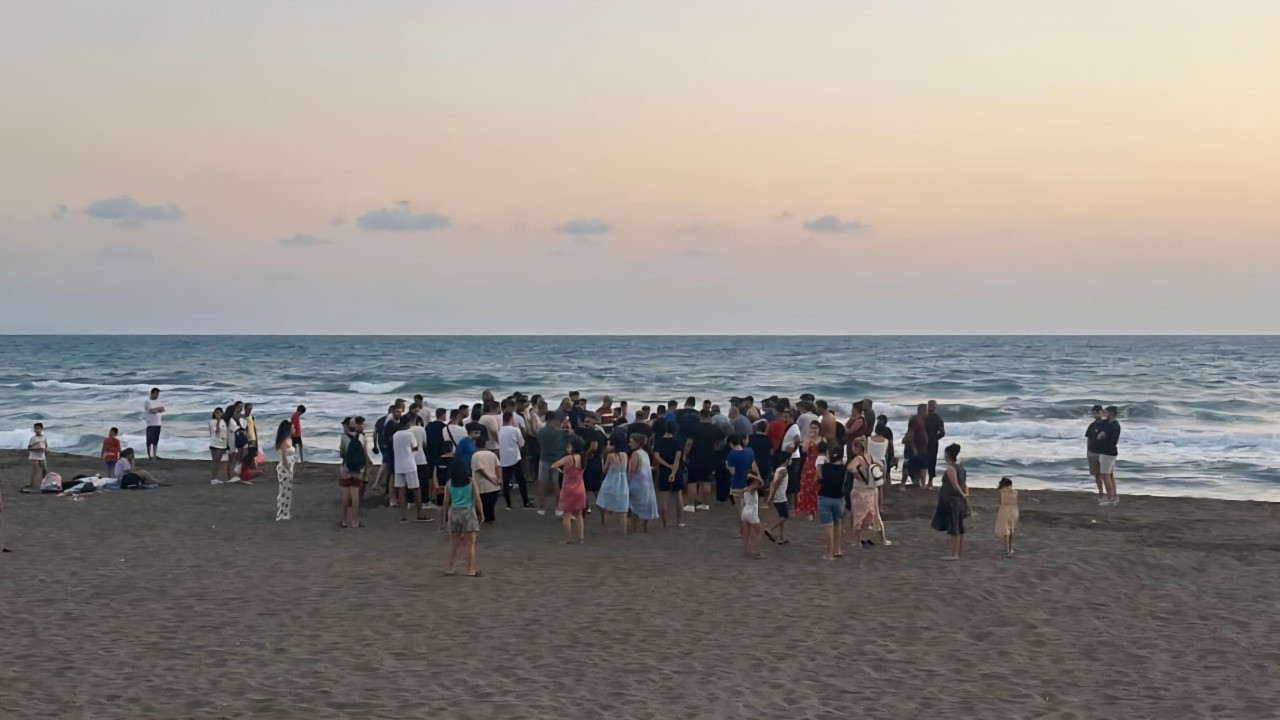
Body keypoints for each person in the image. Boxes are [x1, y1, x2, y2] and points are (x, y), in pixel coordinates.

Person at [847, 437, 891, 548]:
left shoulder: (858, 458)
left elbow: (850, 468)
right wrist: (874, 472)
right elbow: (881, 464)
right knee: (876, 514)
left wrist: (858, 473)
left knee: (857, 516)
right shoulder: (871, 457)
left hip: (859, 490)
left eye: (853, 446)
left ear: (857, 447)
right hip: (872, 489)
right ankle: (883, 540)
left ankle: (857, 541)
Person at [442, 457, 482, 576]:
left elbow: (446, 501)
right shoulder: (471, 481)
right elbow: (477, 499)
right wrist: (482, 513)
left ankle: (450, 568)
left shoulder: (449, 483)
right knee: (470, 545)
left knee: (454, 543)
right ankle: (470, 570)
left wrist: (445, 514)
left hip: (454, 512)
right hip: (468, 512)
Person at [931, 443, 970, 560]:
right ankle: (958, 552)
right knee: (959, 527)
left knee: (954, 528)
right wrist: (966, 494)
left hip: (952, 501)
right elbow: (964, 484)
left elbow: (955, 485)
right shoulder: (961, 468)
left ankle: (955, 554)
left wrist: (962, 494)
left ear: (947, 454)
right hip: (957, 500)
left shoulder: (951, 468)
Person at [553, 437, 587, 543]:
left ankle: (567, 538)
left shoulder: (568, 458)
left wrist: (562, 471)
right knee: (579, 514)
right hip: (580, 487)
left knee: (566, 515)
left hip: (568, 488)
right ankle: (580, 538)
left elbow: (554, 465)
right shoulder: (583, 458)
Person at [816, 443, 846, 560]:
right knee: (837, 522)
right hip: (839, 498)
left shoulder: (825, 467)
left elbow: (819, 479)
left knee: (828, 526)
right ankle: (837, 549)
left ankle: (829, 554)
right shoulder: (844, 469)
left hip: (825, 497)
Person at [653, 418, 685, 527]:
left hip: (662, 471)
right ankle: (679, 521)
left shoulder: (658, 442)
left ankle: (664, 522)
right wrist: (673, 471)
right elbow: (677, 458)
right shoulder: (677, 442)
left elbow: (657, 457)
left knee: (663, 498)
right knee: (678, 497)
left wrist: (667, 466)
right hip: (677, 471)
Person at [596, 435, 630, 534]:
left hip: (610, 483)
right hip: (623, 484)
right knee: (623, 512)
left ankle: (607, 531)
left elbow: (604, 470)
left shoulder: (610, 456)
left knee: (608, 510)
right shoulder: (625, 455)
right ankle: (623, 532)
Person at [339, 417, 369, 528]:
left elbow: (342, 454)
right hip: (358, 470)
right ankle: (355, 521)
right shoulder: (362, 437)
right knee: (355, 495)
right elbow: (365, 455)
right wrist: (365, 470)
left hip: (345, 469)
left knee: (345, 495)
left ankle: (344, 521)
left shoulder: (343, 438)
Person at [498, 411, 532, 509]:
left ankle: (508, 504)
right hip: (515, 458)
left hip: (503, 460)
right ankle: (526, 502)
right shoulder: (515, 430)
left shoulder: (499, 431)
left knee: (505, 482)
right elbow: (521, 443)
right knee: (521, 481)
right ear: (511, 419)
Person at [536, 409, 567, 515]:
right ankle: (558, 508)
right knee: (556, 484)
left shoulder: (541, 431)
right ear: (554, 419)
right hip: (557, 460)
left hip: (544, 459)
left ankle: (542, 508)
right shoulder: (559, 432)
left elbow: (539, 442)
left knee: (542, 483)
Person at [626, 434, 659, 533]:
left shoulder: (635, 454)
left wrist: (627, 481)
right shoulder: (644, 453)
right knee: (645, 505)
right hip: (646, 483)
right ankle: (644, 528)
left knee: (634, 507)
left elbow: (632, 470)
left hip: (636, 483)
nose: (629, 444)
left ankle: (634, 528)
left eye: (631, 442)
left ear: (637, 442)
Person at [392, 418, 422, 522]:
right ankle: (419, 515)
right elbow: (415, 446)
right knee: (416, 489)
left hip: (398, 465)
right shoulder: (410, 434)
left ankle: (403, 516)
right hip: (409, 464)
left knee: (401, 490)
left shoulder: (395, 435)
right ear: (408, 423)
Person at [575, 413, 607, 512]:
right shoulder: (601, 433)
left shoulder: (592, 433)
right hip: (598, 461)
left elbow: (594, 446)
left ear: (594, 422)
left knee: (586, 486)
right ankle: (601, 506)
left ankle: (587, 507)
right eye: (585, 421)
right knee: (597, 486)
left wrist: (586, 455)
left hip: (591, 462)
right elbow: (606, 447)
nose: (586, 423)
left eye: (588, 421)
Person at [471, 438, 501, 524]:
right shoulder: (492, 454)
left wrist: (490, 479)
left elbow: (480, 470)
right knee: (490, 508)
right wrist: (499, 479)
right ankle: (489, 519)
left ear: (475, 445)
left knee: (482, 508)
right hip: (494, 486)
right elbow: (498, 467)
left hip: (482, 486)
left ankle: (483, 519)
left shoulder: (475, 455)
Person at [796, 421, 822, 520]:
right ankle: (808, 510)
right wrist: (808, 438)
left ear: (819, 429)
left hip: (818, 465)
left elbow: (825, 453)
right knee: (806, 488)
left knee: (817, 487)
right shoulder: (807, 438)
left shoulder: (822, 439)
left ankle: (816, 509)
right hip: (808, 465)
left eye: (816, 428)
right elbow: (804, 450)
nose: (814, 430)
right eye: (812, 427)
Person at [1097, 406, 1122, 506]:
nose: (1104, 415)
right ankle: (1114, 496)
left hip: (1107, 452)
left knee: (1105, 475)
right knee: (1110, 474)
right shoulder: (1116, 424)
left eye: (1106, 413)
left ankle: (1109, 498)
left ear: (1111, 413)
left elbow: (1100, 436)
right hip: (1112, 451)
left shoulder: (1111, 426)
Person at [274, 420, 296, 521]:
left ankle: (286, 511)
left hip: (289, 467)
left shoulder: (289, 439)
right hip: (284, 468)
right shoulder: (284, 441)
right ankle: (282, 513)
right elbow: (284, 458)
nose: (294, 429)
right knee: (284, 491)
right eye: (292, 427)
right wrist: (288, 470)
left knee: (288, 491)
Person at [763, 464, 790, 544]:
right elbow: (776, 483)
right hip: (780, 497)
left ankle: (781, 537)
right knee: (785, 516)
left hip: (780, 496)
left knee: (782, 516)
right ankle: (770, 528)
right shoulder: (783, 470)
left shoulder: (778, 469)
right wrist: (771, 495)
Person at [741, 471, 764, 559]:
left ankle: (748, 551)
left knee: (747, 534)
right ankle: (757, 552)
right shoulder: (753, 487)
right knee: (760, 532)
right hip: (752, 512)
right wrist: (757, 477)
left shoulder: (746, 488)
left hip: (745, 511)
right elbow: (761, 482)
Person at [1085, 405, 1106, 499]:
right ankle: (1100, 491)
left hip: (1103, 453)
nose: (1096, 413)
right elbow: (1088, 438)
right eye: (1094, 412)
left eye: (1098, 411)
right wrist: (1088, 451)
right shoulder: (1092, 425)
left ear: (1102, 412)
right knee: (1096, 474)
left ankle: (1110, 492)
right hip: (1092, 453)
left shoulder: (1106, 424)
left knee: (1106, 474)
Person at [995, 477, 1019, 557]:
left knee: (1006, 531)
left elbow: (1000, 501)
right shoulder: (1015, 492)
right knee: (1011, 529)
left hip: (1004, 510)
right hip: (1014, 510)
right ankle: (1010, 548)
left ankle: (1008, 550)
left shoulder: (1001, 492)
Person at [907, 404, 929, 487]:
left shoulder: (922, 419)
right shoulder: (915, 419)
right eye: (925, 410)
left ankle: (920, 483)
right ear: (921, 410)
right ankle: (921, 484)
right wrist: (913, 448)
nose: (927, 412)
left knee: (922, 466)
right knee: (919, 466)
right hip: (917, 447)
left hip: (923, 447)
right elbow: (911, 434)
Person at [925, 400, 946, 485]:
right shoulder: (937, 417)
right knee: (932, 461)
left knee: (922, 460)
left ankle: (922, 481)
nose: (930, 406)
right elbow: (942, 433)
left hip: (923, 442)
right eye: (930, 405)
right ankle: (929, 482)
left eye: (930, 405)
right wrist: (934, 439)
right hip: (932, 442)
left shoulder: (923, 416)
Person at [207, 408, 227, 484]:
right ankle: (213, 478)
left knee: (218, 462)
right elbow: (217, 431)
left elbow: (224, 433)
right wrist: (218, 421)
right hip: (215, 444)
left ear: (222, 413)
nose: (217, 414)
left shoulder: (223, 421)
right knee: (215, 462)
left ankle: (215, 478)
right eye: (216, 412)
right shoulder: (212, 422)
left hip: (222, 444)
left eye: (219, 412)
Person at [143, 387, 164, 459]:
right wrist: (158, 409)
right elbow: (150, 411)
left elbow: (163, 409)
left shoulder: (159, 401)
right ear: (152, 393)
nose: (157, 395)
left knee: (155, 441)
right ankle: (149, 456)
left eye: (158, 394)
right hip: (150, 424)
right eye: (156, 394)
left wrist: (156, 410)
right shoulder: (147, 401)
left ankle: (154, 455)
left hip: (158, 423)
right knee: (149, 441)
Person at [26, 423, 48, 492]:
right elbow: (29, 448)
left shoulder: (44, 437)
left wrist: (46, 448)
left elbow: (45, 444)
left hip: (41, 456)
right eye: (35, 428)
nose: (36, 430)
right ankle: (31, 485)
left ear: (41, 429)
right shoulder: (33, 439)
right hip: (34, 456)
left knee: (44, 470)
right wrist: (38, 449)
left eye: (38, 428)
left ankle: (43, 484)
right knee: (36, 471)